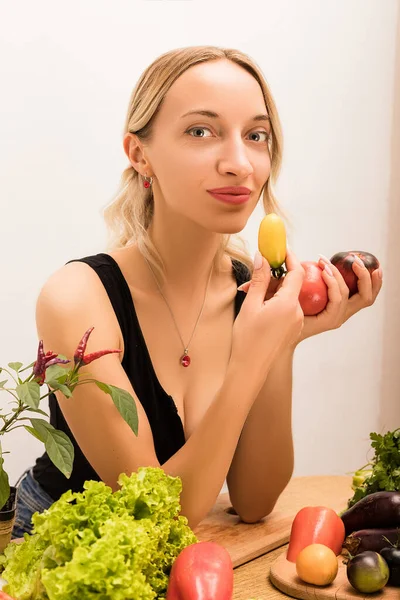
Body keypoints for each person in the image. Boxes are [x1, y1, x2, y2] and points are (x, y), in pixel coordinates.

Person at [12, 45, 383, 538]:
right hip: (66, 550)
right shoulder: (76, 298)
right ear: (140, 154)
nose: (239, 163)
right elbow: (153, 517)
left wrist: (279, 342)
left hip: (184, 552)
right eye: (200, 131)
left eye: (256, 136)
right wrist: (250, 358)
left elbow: (253, 501)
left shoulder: (248, 292)